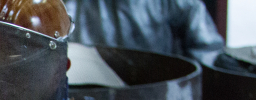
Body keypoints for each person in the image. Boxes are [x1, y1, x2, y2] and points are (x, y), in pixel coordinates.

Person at [64, 0, 224, 67]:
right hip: (89, 98)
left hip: (158, 95)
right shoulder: (68, 5)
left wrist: (182, 88)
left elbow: (207, 48)